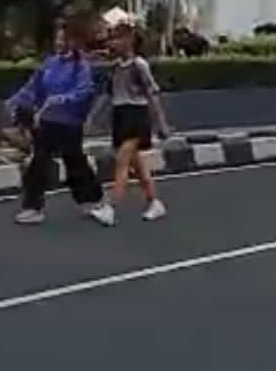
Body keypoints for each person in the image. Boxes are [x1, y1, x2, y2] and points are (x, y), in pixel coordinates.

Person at [9, 24, 111, 226]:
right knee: (38, 162)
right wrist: (16, 101)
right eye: (57, 39)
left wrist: (61, 99)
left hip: (70, 123)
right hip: (47, 121)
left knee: (75, 163)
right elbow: (33, 87)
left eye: (63, 39)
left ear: (73, 42)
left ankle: (93, 199)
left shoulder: (81, 66)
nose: (59, 43)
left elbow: (84, 91)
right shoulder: (50, 63)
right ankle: (33, 208)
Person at [93, 17, 170, 226]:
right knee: (136, 164)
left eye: (118, 38)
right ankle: (154, 202)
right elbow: (107, 95)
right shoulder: (115, 67)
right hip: (120, 115)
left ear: (130, 40)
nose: (113, 43)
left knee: (122, 160)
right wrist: (93, 118)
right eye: (112, 38)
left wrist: (161, 123)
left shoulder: (139, 65)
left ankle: (111, 207)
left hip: (137, 115)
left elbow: (152, 94)